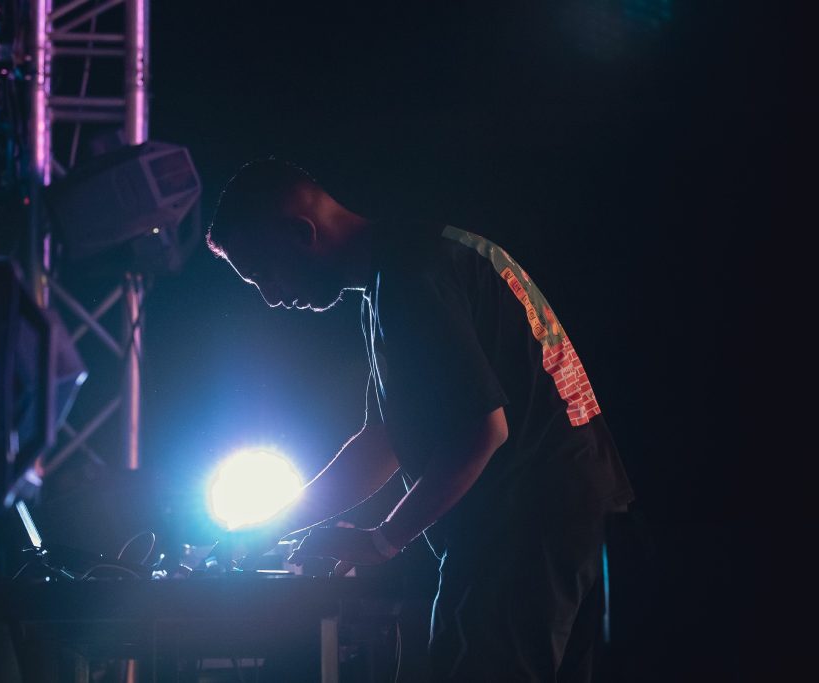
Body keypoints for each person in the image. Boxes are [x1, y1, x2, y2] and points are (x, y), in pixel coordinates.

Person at [206, 159, 634, 682]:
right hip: (562, 515)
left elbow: (484, 430)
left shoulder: (411, 276)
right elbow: (381, 441)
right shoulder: (401, 271)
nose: (271, 298)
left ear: (301, 232)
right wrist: (272, 526)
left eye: (263, 274)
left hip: (526, 525)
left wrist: (384, 540)